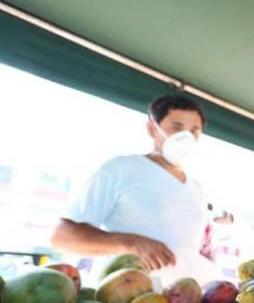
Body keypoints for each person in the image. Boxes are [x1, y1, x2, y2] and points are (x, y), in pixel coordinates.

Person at [51, 94, 219, 287]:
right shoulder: (121, 169)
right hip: (126, 301)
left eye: (194, 131)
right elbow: (62, 237)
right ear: (151, 129)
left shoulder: (196, 188)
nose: (186, 137)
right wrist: (131, 243)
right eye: (177, 127)